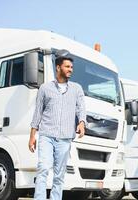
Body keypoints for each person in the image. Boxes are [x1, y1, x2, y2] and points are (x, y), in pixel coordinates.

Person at [28, 56, 86, 200]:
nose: (70, 70)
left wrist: (82, 122)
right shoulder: (45, 88)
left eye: (71, 67)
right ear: (58, 68)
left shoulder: (76, 89)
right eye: (67, 67)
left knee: (59, 175)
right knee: (43, 168)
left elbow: (81, 108)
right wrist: (32, 136)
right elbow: (38, 113)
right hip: (46, 135)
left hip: (65, 138)